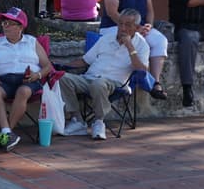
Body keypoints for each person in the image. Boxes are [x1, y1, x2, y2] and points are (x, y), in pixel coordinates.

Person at [57, 9, 149, 141]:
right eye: (120, 23)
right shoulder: (106, 39)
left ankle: (99, 121)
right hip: (89, 78)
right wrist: (60, 66)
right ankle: (78, 120)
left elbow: (142, 70)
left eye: (128, 25)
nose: (122, 28)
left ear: (137, 28)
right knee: (62, 77)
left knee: (98, 84)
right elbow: (85, 61)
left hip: (115, 83)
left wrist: (130, 47)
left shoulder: (142, 45)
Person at [0, 6, 53, 151]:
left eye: (9, 24)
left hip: (28, 81)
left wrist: (36, 75)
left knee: (23, 91)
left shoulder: (32, 42)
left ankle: (6, 133)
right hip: (3, 80)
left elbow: (47, 66)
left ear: (20, 27)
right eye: (4, 23)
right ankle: (7, 133)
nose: (5, 27)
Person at [102, 0, 169, 100]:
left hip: (139, 27)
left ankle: (154, 82)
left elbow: (150, 11)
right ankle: (137, 80)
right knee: (137, 42)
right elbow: (113, 13)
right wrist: (132, 29)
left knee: (160, 41)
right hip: (116, 27)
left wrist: (148, 26)